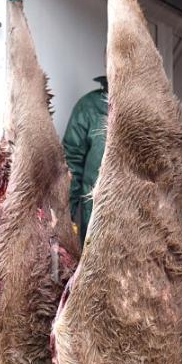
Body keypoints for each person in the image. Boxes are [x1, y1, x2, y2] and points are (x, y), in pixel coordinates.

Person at [61, 75, 109, 245]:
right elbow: (71, 164)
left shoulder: (149, 106)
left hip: (140, 219)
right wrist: (67, 216)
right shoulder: (88, 107)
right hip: (98, 216)